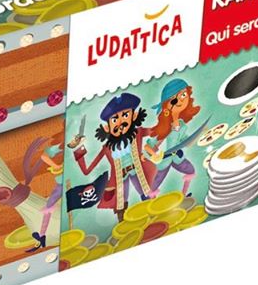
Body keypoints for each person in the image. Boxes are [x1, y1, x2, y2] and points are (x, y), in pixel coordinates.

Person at [70, 92, 157, 222]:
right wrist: (78, 149)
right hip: (119, 179)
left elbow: (157, 131)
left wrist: (152, 147)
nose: (120, 123)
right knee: (120, 204)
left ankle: (154, 216)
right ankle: (123, 225)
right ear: (107, 127)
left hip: (140, 172)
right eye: (115, 120)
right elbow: (87, 170)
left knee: (147, 193)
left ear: (134, 116)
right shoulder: (107, 148)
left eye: (125, 115)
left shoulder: (138, 133)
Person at [144, 78, 201, 197]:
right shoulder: (164, 127)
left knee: (190, 171)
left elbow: (186, 141)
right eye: (174, 99)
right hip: (164, 161)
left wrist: (199, 135)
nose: (181, 101)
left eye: (184, 95)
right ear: (166, 104)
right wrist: (154, 155)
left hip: (177, 158)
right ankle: (152, 202)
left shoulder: (182, 125)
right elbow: (148, 146)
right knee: (155, 185)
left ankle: (184, 195)